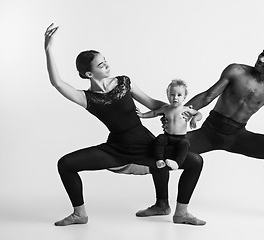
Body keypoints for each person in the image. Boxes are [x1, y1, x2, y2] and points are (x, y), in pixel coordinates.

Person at [136, 21, 264, 221]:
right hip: (210, 132)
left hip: (237, 136)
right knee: (160, 150)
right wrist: (180, 113)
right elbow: (207, 96)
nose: (261, 60)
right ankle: (161, 204)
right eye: (262, 54)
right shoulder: (236, 70)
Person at [44, 23, 206, 226]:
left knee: (195, 161)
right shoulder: (87, 98)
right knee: (66, 164)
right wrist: (49, 49)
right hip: (116, 149)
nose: (106, 65)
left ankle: (175, 210)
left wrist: (174, 110)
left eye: (105, 61)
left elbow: (151, 103)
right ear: (89, 74)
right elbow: (58, 83)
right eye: (100, 65)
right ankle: (79, 214)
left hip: (144, 142)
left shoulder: (123, 82)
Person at [137, 79, 202, 170]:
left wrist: (194, 119)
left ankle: (177, 163)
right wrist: (143, 115)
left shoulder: (186, 109)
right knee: (159, 139)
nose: (175, 98)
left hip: (181, 138)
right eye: (172, 94)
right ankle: (159, 160)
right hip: (167, 136)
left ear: (184, 97)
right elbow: (154, 113)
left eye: (179, 95)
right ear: (167, 95)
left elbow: (198, 114)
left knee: (185, 144)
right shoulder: (165, 108)